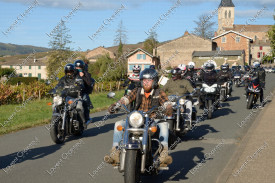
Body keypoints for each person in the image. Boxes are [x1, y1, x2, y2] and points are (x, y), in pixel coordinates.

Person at [104, 68, 173, 166]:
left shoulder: (159, 92)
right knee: (118, 124)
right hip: (137, 119)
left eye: (149, 80)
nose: (146, 83)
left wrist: (168, 107)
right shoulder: (137, 90)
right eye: (144, 80)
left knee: (164, 126)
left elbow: (166, 102)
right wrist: (116, 105)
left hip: (153, 118)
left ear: (154, 81)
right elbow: (126, 99)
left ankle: (164, 154)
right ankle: (115, 153)